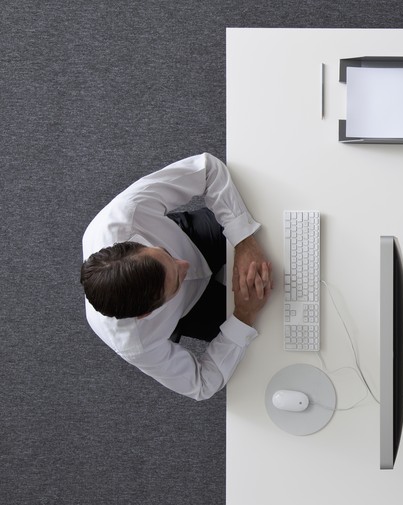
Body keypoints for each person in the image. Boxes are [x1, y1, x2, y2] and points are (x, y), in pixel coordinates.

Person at [81, 153, 273, 401]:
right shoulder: (135, 343)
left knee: (272, 223)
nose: (184, 266)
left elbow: (206, 169)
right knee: (274, 328)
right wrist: (244, 316)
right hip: (191, 310)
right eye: (176, 282)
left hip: (191, 239)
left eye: (165, 255)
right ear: (146, 314)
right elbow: (202, 384)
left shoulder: (124, 214)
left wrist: (244, 240)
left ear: (134, 244)